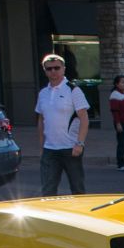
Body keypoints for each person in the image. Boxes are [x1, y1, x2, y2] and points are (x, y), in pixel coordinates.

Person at [35, 53, 89, 196]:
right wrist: (41, 147)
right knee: (48, 191)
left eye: (56, 68)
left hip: (70, 149)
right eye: (49, 69)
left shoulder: (73, 90)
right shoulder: (43, 93)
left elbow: (84, 118)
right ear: (45, 71)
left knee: (77, 190)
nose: (53, 72)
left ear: (63, 69)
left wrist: (80, 143)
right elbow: (41, 120)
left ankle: (79, 218)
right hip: (50, 150)